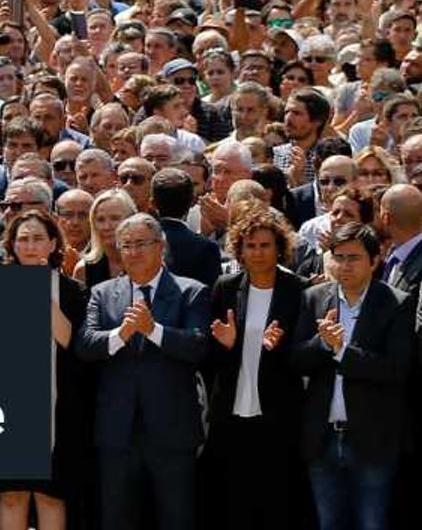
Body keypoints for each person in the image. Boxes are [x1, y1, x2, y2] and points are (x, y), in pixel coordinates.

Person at [78, 213, 210, 530]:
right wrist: (120, 334)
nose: (133, 252)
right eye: (126, 245)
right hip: (117, 432)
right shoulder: (103, 292)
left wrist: (154, 330)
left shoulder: (191, 291)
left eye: (141, 244)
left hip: (171, 433)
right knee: (117, 518)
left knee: (175, 518)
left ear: (160, 246)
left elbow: (197, 346)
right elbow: (85, 345)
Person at [291, 223, 415, 530]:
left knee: (371, 521)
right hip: (322, 438)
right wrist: (322, 343)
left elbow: (395, 369)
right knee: (329, 521)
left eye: (354, 258)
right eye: (339, 257)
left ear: (374, 260)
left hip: (372, 440)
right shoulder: (314, 298)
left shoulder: (396, 303)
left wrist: (342, 351)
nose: (344, 265)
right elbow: (296, 360)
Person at [203, 208, 309, 529]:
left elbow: (304, 357)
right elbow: (211, 357)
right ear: (240, 250)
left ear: (280, 248)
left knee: (277, 500)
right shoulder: (226, 287)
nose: (258, 252)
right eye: (250, 245)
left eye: (265, 245)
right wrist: (226, 344)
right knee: (235, 499)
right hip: (232, 412)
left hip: (279, 414)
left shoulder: (299, 290)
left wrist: (278, 348)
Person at [0, 210, 93, 530]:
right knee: (12, 495)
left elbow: (72, 342)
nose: (30, 246)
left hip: (59, 407)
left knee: (51, 496)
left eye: (38, 238)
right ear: (11, 245)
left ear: (53, 244)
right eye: (23, 239)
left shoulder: (73, 291)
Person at [151, 167, 222, 286]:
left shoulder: (138, 243)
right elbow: (213, 296)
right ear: (192, 201)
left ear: (152, 204)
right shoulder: (206, 248)